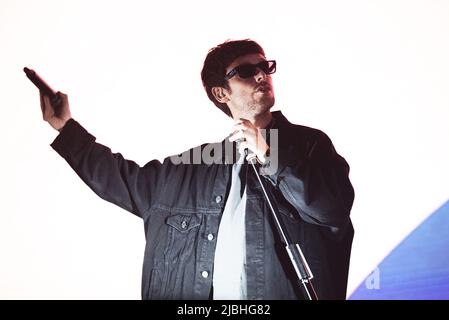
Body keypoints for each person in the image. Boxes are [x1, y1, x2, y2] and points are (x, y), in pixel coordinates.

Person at [39, 39, 355, 300]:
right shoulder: (194, 169)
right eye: (247, 70)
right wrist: (66, 129)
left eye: (265, 67)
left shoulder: (310, 146)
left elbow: (332, 210)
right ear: (221, 93)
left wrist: (269, 154)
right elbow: (122, 179)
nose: (261, 75)